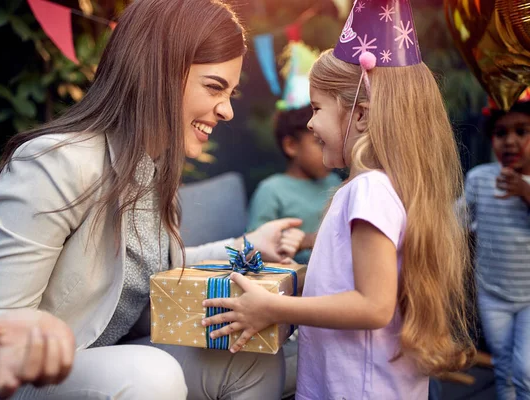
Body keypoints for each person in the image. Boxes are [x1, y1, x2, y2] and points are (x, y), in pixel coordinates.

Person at [0, 0, 305, 399]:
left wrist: (249, 245)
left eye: (230, 92)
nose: (227, 110)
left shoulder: (153, 167)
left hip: (97, 360)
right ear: (157, 73)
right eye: (214, 87)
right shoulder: (57, 161)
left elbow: (156, 269)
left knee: (249, 353)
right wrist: (24, 334)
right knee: (151, 375)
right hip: (9, 380)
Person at [203, 1, 476, 399]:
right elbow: (351, 283)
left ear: (360, 115)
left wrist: (274, 308)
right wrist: (294, 277)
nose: (310, 122)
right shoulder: (389, 188)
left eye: (316, 108)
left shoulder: (367, 190)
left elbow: (372, 306)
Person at [248, 42, 342, 264]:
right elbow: (253, 249)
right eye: (319, 142)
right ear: (291, 145)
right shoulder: (272, 191)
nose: (328, 147)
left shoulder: (334, 182)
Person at [464, 90, 530, 399]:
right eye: (501, 133)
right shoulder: (479, 178)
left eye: (522, 131)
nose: (510, 141)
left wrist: (524, 192)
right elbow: (459, 219)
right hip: (492, 291)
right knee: (503, 367)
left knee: (525, 369)